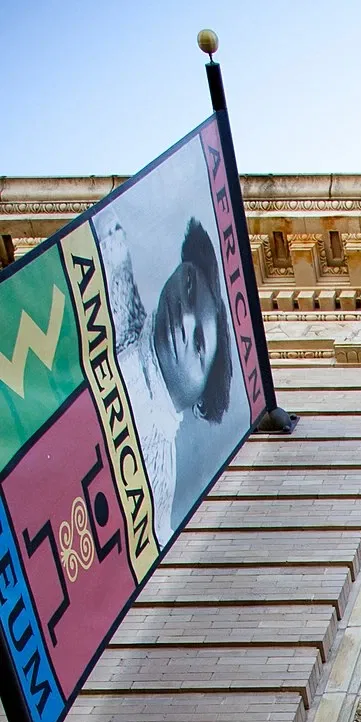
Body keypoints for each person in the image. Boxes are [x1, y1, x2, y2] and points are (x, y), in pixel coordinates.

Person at [96, 214, 232, 541]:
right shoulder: (111, 263)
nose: (184, 315)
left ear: (203, 395)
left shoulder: (157, 490)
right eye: (189, 284)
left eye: (198, 342)